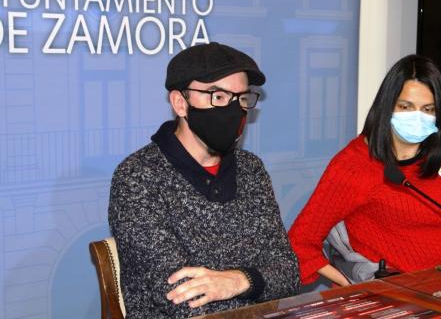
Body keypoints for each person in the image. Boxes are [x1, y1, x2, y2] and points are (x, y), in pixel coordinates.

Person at [288, 54, 441, 286]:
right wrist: (349, 285)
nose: (417, 117)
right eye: (406, 106)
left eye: (428, 109)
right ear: (387, 106)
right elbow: (300, 241)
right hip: (411, 289)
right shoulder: (354, 164)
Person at [108, 42, 300, 318]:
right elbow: (181, 297)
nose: (233, 109)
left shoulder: (251, 169)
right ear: (180, 103)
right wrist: (254, 282)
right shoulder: (137, 178)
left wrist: (235, 281)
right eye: (218, 96)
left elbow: (288, 273)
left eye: (241, 98)